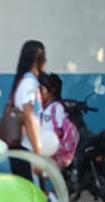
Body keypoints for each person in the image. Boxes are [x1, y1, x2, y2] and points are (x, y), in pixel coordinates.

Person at [7, 39, 46, 182]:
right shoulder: (30, 84)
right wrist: (38, 153)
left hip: (21, 149)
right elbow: (29, 118)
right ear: (39, 60)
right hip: (27, 150)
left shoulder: (23, 82)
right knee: (33, 197)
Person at [38, 72, 79, 168]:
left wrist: (48, 143)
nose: (39, 94)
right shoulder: (45, 109)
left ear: (52, 91)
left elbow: (59, 131)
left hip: (55, 150)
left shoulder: (56, 108)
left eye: (42, 90)